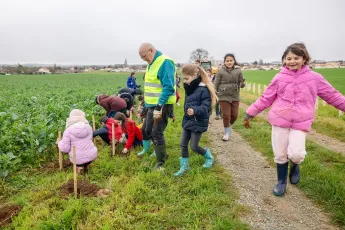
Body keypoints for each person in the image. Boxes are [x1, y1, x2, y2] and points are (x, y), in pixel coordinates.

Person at [244, 42, 345, 196]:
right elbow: (266, 98)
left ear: (304, 59)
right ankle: (281, 181)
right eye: (288, 58)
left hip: (301, 121)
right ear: (284, 60)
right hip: (279, 119)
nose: (292, 61)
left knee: (297, 153)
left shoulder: (315, 78)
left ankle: (295, 165)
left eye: (296, 58)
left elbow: (333, 95)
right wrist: (251, 112)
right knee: (280, 153)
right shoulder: (279, 78)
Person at [137, 42, 176, 170]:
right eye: (141, 58)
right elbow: (150, 87)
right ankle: (161, 152)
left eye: (144, 56)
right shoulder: (150, 64)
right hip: (150, 105)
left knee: (156, 132)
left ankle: (160, 164)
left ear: (151, 50)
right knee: (147, 130)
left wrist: (159, 106)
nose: (143, 59)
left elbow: (168, 87)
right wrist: (145, 106)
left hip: (162, 105)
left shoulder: (165, 62)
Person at [174, 64, 218, 176]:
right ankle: (185, 166)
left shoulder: (204, 90)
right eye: (183, 78)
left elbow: (206, 107)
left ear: (195, 75)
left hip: (198, 122)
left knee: (194, 146)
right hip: (188, 120)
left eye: (186, 78)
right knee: (183, 144)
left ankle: (209, 157)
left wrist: (194, 110)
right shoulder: (190, 88)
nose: (184, 81)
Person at [214, 53, 246, 141]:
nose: (229, 62)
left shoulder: (238, 71)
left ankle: (228, 126)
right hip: (223, 95)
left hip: (235, 95)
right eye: (227, 61)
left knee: (235, 115)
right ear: (224, 62)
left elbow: (242, 83)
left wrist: (243, 83)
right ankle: (226, 133)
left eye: (231, 60)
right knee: (226, 115)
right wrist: (215, 94)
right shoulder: (220, 71)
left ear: (234, 61)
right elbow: (216, 83)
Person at [57, 109, 97, 173]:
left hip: (77, 159)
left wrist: (59, 143)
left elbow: (65, 149)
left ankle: (79, 167)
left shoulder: (68, 130)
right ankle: (86, 165)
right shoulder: (88, 127)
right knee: (86, 154)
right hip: (92, 156)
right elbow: (90, 140)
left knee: (78, 158)